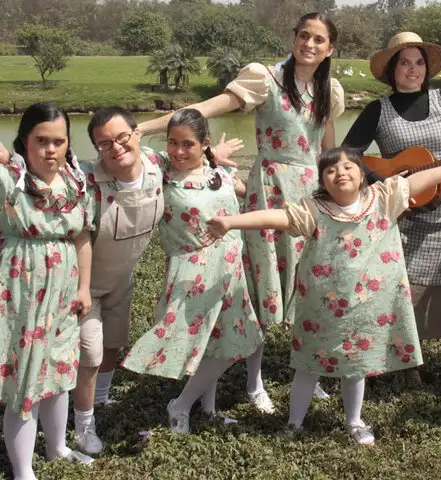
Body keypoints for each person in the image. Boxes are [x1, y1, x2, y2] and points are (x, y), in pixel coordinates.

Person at [205, 146, 441, 445]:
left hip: (364, 310)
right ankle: (294, 423)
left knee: (356, 367)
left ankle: (354, 421)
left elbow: (418, 181)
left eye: (348, 166)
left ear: (362, 174)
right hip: (319, 310)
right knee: (307, 366)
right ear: (322, 181)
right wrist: (231, 222)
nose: (340, 172)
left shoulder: (383, 198)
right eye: (330, 169)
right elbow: (276, 218)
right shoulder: (313, 209)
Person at [138, 12, 345, 409]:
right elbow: (207, 109)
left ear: (330, 48)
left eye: (319, 40)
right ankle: (255, 382)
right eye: (304, 35)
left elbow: (326, 150)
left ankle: (312, 372)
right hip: (268, 190)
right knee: (258, 286)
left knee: (314, 284)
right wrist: (145, 128)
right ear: (294, 37)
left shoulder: (329, 90)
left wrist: (333, 195)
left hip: (310, 195)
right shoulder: (264, 78)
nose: (310, 44)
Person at [68, 107, 242, 452]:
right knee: (89, 350)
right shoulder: (91, 177)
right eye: (105, 143)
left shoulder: (158, 165)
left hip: (128, 277)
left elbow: (187, 148)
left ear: (137, 135)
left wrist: (211, 155)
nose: (116, 148)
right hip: (89, 281)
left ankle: (102, 400)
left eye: (123, 138)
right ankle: (81, 424)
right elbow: (55, 165)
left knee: (114, 342)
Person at [341, 32, 441, 383]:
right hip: (403, 214)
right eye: (404, 62)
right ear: (392, 69)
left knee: (433, 287)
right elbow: (348, 154)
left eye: (419, 62)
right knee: (403, 288)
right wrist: (384, 179)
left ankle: (408, 353)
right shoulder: (378, 110)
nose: (413, 69)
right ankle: (402, 360)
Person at [120, 109, 264, 433]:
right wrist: (139, 128)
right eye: (173, 142)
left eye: (188, 144)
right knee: (222, 345)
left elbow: (251, 198)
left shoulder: (221, 174)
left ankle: (207, 409)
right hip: (193, 271)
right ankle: (181, 404)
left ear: (204, 145)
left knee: (224, 343)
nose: (179, 151)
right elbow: (131, 146)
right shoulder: (161, 173)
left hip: (229, 270)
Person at [0, 102, 95, 480]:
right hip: (20, 290)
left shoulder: (76, 181)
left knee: (59, 370)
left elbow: (83, 236)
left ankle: (57, 448)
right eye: (41, 140)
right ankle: (23, 470)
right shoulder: (10, 179)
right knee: (26, 377)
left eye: (58, 141)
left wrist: (84, 288)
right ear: (25, 140)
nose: (50, 150)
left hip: (64, 291)